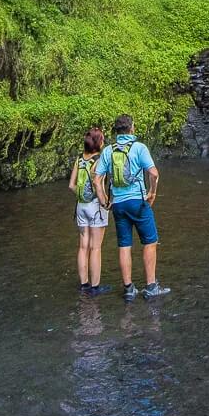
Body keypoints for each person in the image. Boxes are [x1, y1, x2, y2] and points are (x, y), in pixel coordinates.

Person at [93, 114, 169, 300]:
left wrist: (104, 202)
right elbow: (153, 173)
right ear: (132, 129)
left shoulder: (108, 151)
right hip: (138, 203)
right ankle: (151, 286)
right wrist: (152, 192)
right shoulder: (139, 148)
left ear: (117, 132)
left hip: (118, 205)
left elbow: (97, 180)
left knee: (124, 245)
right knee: (150, 242)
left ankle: (128, 289)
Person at [69, 128, 109, 295]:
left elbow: (71, 185)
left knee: (83, 247)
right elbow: (97, 185)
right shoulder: (99, 160)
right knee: (95, 248)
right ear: (98, 142)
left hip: (80, 206)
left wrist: (82, 197)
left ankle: (84, 284)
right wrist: (105, 204)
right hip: (95, 207)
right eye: (102, 139)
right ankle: (95, 286)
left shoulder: (79, 159)